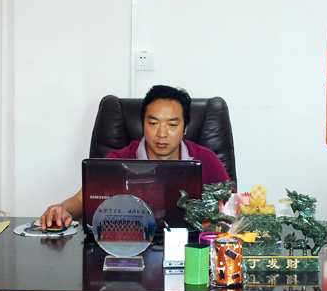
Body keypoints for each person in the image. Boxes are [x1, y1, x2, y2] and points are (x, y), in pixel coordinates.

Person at [40, 85, 230, 230]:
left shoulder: (206, 159)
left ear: (185, 128)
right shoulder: (119, 160)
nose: (162, 133)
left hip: (191, 250)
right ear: (143, 124)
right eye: (153, 123)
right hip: (129, 248)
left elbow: (231, 208)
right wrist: (62, 208)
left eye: (172, 125)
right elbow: (82, 200)